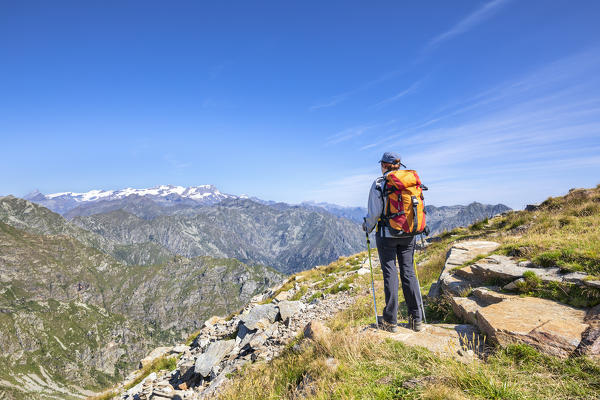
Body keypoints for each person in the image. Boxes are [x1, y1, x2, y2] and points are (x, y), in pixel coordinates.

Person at [362, 152, 425, 332]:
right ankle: (417, 319)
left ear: (384, 165)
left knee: (390, 274)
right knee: (409, 273)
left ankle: (391, 321)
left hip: (387, 235)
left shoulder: (379, 184)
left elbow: (374, 214)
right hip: (408, 233)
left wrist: (367, 227)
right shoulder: (411, 182)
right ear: (398, 165)